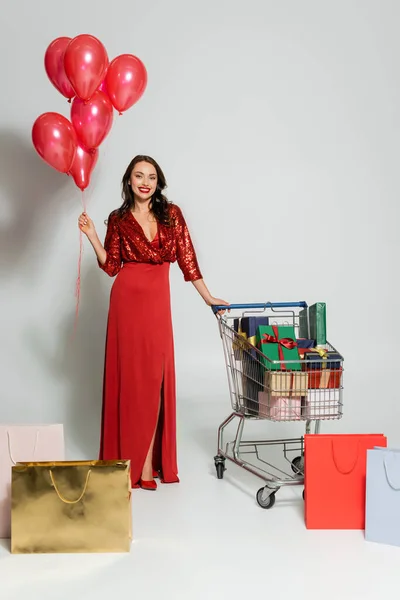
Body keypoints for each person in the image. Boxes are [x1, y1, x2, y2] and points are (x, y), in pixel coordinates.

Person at [78, 155, 228, 490]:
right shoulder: (118, 219)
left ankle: (146, 462)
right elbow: (112, 266)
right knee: (131, 382)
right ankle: (141, 467)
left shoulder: (171, 214)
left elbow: (187, 258)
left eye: (151, 176)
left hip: (157, 302)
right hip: (126, 302)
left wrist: (208, 297)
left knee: (155, 379)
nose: (145, 182)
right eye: (138, 176)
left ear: (158, 182)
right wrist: (91, 236)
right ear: (128, 181)